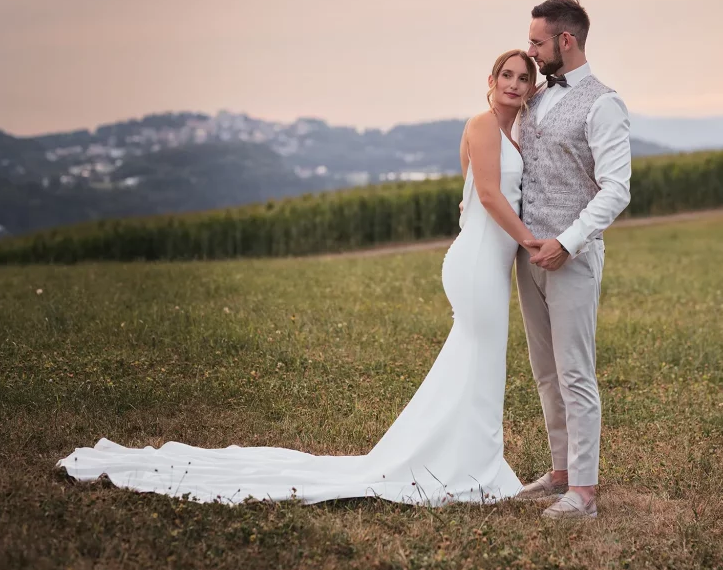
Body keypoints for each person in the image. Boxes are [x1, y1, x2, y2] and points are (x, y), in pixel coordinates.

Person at [56, 50, 539, 507]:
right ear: (491, 81)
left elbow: (467, 199)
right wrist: (532, 242)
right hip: (478, 264)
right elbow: (487, 197)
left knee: (475, 365)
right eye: (507, 75)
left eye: (524, 78)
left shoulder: (511, 135)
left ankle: (460, 460)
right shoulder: (482, 125)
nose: (515, 84)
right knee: (480, 362)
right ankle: (470, 467)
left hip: (487, 262)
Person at [513, 0, 633, 519]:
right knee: (545, 371)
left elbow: (617, 189)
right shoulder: (535, 98)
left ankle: (583, 492)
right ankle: (560, 470)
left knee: (575, 374)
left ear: (566, 40)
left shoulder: (603, 104)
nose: (531, 51)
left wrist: (568, 241)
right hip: (528, 258)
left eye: (537, 42)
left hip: (574, 257)